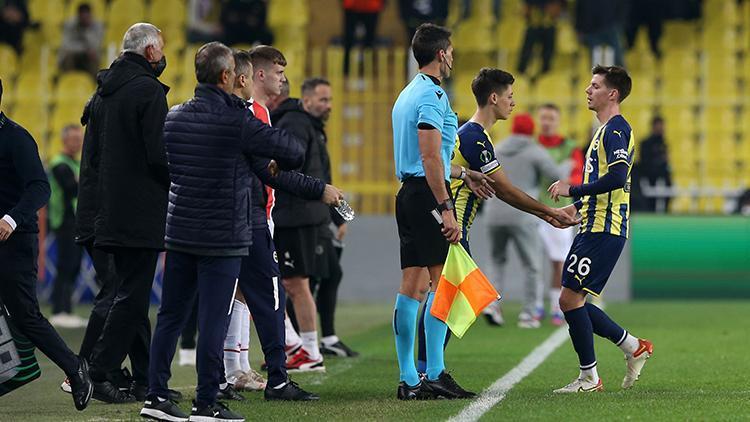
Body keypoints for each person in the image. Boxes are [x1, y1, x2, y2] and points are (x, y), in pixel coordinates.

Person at [140, 41, 305, 422]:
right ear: (227, 76)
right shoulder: (238, 121)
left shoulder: (175, 116)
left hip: (180, 230)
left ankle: (156, 396)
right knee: (213, 318)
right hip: (223, 235)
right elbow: (291, 151)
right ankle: (205, 402)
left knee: (170, 316)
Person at [416, 70, 579, 372]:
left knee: (444, 295)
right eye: (510, 96)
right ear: (494, 98)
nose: (513, 103)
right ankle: (427, 371)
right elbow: (505, 190)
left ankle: (426, 369)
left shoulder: (473, 135)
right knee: (448, 296)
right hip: (452, 226)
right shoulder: (475, 137)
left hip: (444, 222)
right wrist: (550, 212)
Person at [391, 23, 499, 401]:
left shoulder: (407, 94)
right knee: (445, 285)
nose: (452, 57)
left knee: (412, 287)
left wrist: (463, 172)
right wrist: (447, 208)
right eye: (451, 51)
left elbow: (426, 158)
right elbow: (429, 157)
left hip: (408, 194)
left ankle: (409, 379)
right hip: (427, 198)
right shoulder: (432, 96)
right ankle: (434, 372)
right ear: (441, 54)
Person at [75, 22, 170, 404]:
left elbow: (96, 159)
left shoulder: (102, 94)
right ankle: (95, 371)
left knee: (126, 294)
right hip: (139, 210)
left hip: (106, 209)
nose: (163, 56)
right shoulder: (148, 91)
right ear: (149, 52)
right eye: (161, 49)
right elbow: (158, 155)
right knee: (129, 297)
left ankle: (143, 379)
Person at [229, 47, 328, 400]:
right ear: (257, 75)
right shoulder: (251, 113)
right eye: (278, 73)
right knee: (266, 294)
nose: (283, 80)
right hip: (251, 216)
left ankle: (235, 367)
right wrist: (316, 188)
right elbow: (268, 170)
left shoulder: (257, 112)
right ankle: (265, 372)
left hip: (255, 213)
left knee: (238, 293)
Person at [548, 65, 653, 393]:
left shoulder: (615, 130)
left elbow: (618, 178)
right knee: (572, 300)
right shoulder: (603, 130)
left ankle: (589, 377)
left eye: (594, 86)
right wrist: (577, 208)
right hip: (594, 224)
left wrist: (573, 191)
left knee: (569, 299)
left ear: (613, 93)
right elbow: (603, 184)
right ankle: (633, 346)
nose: (587, 90)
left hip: (605, 229)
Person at [0, 78, 93, 411]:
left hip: (15, 241)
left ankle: (75, 368)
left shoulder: (16, 138)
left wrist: (10, 220)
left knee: (25, 316)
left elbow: (40, 188)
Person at [273, 77, 342, 373]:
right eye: (323, 99)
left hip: (296, 214)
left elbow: (291, 169)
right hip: (303, 213)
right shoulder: (301, 124)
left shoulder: (293, 123)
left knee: (294, 283)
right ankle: (295, 346)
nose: (328, 106)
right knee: (289, 283)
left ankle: (307, 349)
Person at [482, 111, 572, 329]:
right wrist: (568, 166)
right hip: (522, 214)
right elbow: (554, 175)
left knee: (496, 260)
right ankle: (529, 314)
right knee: (532, 265)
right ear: (531, 131)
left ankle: (492, 305)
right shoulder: (535, 151)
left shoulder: (498, 148)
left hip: (493, 212)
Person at [536, 103, 584, 326]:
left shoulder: (569, 146)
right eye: (543, 118)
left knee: (559, 262)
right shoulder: (531, 145)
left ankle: (556, 307)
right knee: (533, 262)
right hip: (532, 210)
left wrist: (564, 180)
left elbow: (578, 178)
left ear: (557, 121)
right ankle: (535, 306)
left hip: (560, 211)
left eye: (551, 119)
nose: (547, 122)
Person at [48, 124, 88, 329]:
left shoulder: (74, 163)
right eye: (73, 139)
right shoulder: (59, 164)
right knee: (66, 265)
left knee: (73, 265)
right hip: (64, 220)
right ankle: (59, 309)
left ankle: (66, 308)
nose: (77, 143)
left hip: (75, 220)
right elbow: (72, 188)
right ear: (64, 140)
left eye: (79, 139)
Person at [517, 0, 564, 77]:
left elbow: (558, 6)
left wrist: (554, 9)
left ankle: (545, 77)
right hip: (534, 23)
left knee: (547, 55)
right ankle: (521, 75)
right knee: (526, 53)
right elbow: (526, 8)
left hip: (549, 24)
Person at [635, 116, 672, 212]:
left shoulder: (664, 143)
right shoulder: (646, 143)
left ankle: (664, 211)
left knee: (667, 183)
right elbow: (644, 162)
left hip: (661, 175)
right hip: (648, 176)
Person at [58, 3, 104, 77]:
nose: (84, 19)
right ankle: (68, 81)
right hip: (74, 56)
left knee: (94, 55)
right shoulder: (70, 25)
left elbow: (96, 46)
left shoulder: (98, 25)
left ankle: (94, 82)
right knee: (67, 55)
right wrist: (84, 49)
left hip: (89, 57)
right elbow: (66, 45)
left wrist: (87, 30)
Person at [342, 0, 385, 75]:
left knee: (370, 40)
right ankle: (346, 69)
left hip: (371, 6)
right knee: (349, 39)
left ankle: (368, 68)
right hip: (352, 6)